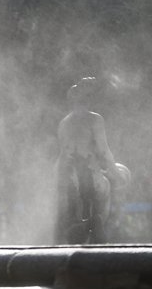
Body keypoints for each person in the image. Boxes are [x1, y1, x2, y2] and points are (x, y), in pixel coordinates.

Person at [55, 77, 128, 244]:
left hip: (68, 179)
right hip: (89, 178)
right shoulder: (94, 119)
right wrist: (116, 173)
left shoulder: (64, 123)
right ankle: (98, 236)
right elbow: (103, 151)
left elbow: (63, 156)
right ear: (87, 98)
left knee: (73, 224)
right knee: (102, 212)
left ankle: (83, 235)